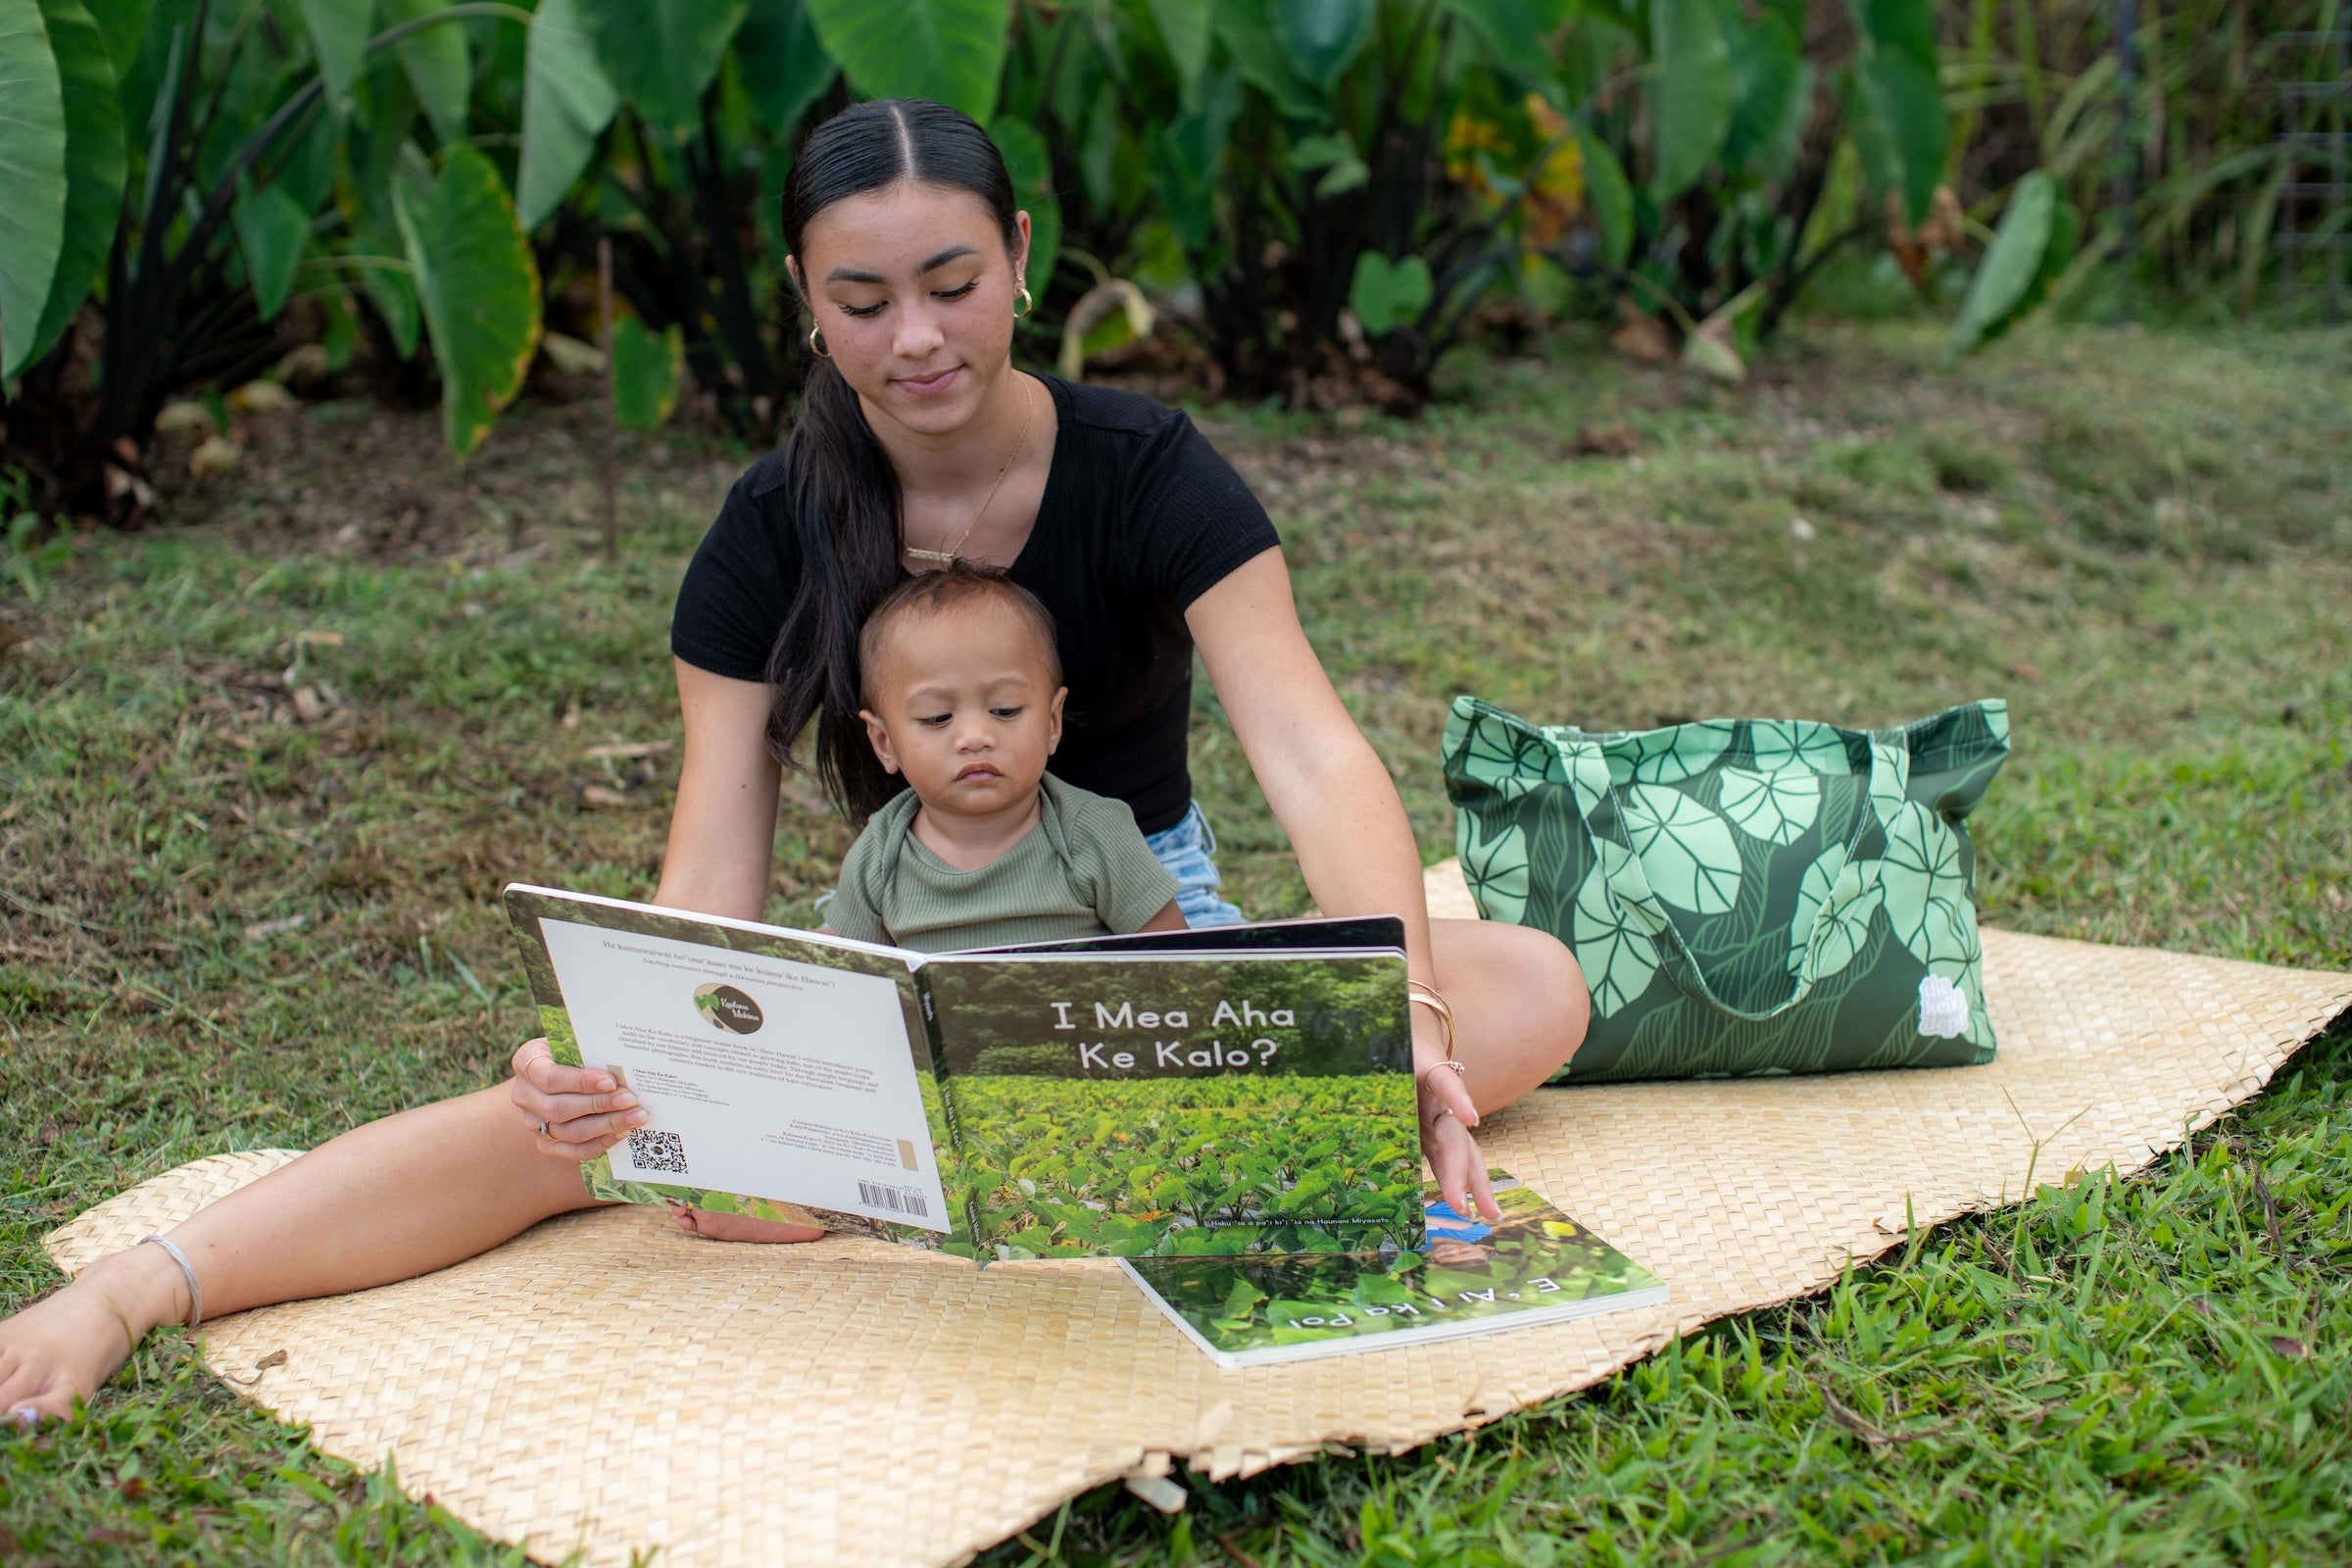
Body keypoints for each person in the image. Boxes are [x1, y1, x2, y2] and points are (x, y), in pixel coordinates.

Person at [0, 97, 1588, 1427]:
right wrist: (651, 1056)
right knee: (565, 1123)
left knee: (1523, 989)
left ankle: (899, 1175)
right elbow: (714, 868)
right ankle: (139, 1288)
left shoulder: (1152, 471)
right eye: (864, 299)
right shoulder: (766, 534)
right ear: (802, 297)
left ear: (1024, 259)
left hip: (1128, 972)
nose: (917, 339)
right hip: (889, 976)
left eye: (955, 282)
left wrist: (1414, 1016)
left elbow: (1311, 756)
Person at [821, 561, 1187, 952]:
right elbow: (839, 967)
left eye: (1005, 711)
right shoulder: (880, 856)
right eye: (937, 718)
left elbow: (1175, 958)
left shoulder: (1091, 834)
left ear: (1051, 722)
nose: (975, 738)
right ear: (884, 742)